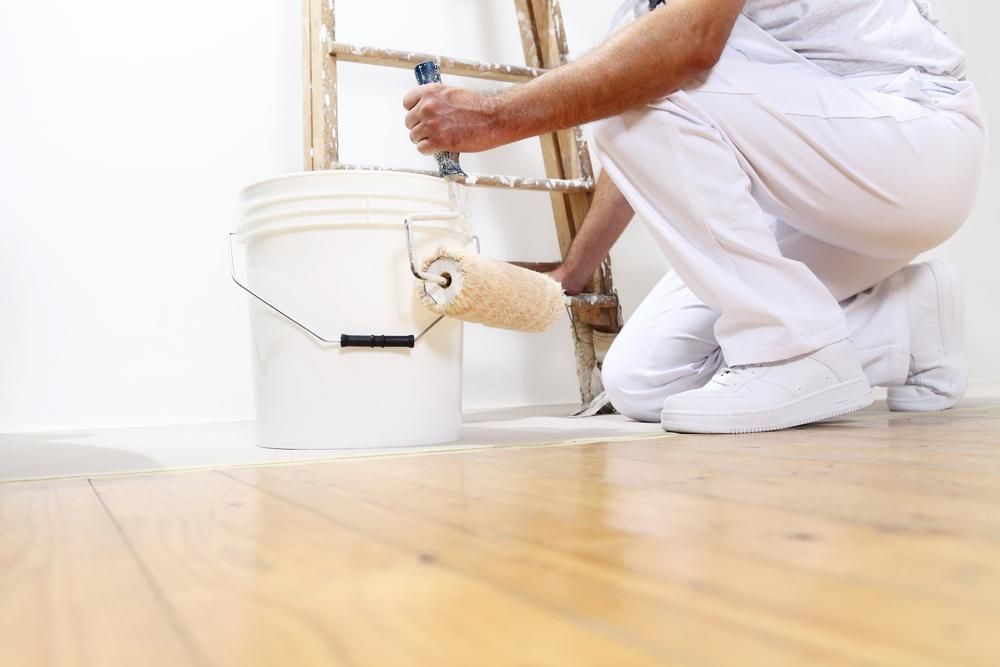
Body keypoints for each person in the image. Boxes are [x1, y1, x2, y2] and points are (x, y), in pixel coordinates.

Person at [402, 0, 988, 433]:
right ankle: (905, 327)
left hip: (915, 144)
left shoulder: (675, 34)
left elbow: (681, 59)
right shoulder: (646, 10)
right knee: (642, 380)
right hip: (826, 193)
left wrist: (493, 118)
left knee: (642, 81)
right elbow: (648, 130)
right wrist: (572, 273)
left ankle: (792, 348)